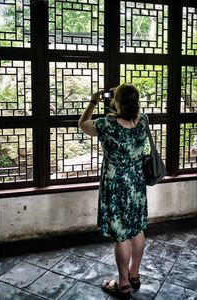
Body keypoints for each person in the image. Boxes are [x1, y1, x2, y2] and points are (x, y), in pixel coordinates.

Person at [78, 83, 148, 299]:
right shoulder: (143, 120)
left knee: (121, 236)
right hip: (136, 184)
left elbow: (82, 125)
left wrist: (93, 102)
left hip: (116, 186)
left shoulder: (106, 125)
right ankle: (134, 274)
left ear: (116, 102)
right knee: (136, 230)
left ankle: (123, 284)